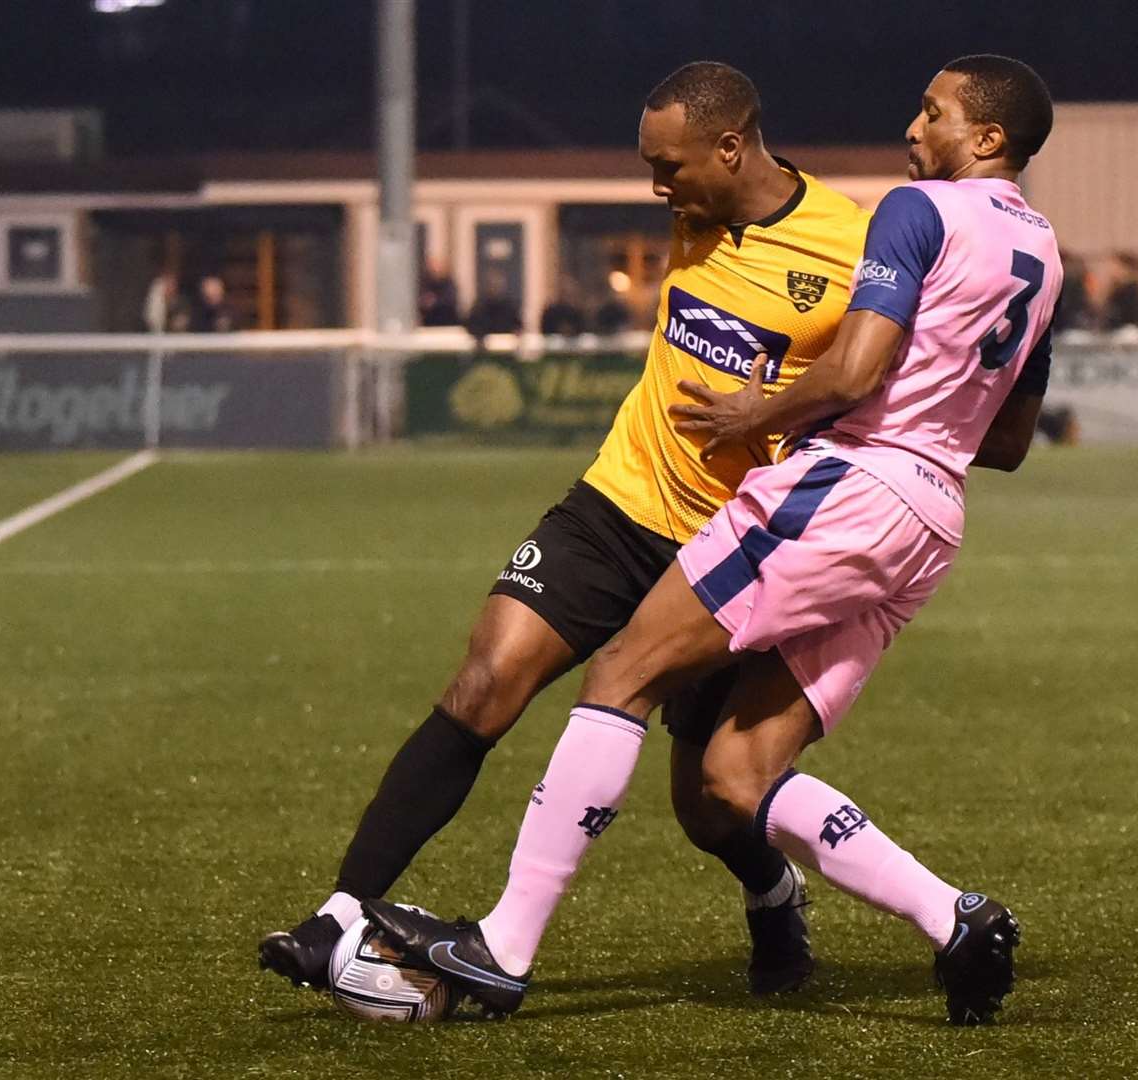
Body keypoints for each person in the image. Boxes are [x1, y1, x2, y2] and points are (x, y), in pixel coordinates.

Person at [365, 53, 1061, 1028]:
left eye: (931, 112)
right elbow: (1012, 441)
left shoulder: (916, 211)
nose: (913, 129)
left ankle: (501, 950)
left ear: (985, 138)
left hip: (852, 485)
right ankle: (954, 918)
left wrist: (759, 411)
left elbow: (856, 370)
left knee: (620, 676)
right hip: (931, 518)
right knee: (733, 779)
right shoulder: (1045, 257)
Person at [258, 61, 872, 999]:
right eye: (648, 166)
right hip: (615, 505)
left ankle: (771, 888)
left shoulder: (854, 249)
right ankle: (339, 916)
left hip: (730, 548)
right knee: (483, 681)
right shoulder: (695, 214)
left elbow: (881, 388)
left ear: (731, 147)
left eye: (668, 168)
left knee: (710, 804)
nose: (656, 189)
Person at [465, 270, 523, 340]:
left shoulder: (509, 307)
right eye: (492, 285)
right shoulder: (479, 307)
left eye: (498, 284)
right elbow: (471, 326)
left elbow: (518, 326)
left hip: (506, 345)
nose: (495, 288)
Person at [1101, 252, 1138, 330]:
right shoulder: (1114, 290)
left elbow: (1132, 316)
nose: (1112, 271)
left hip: (1128, 332)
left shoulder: (1131, 290)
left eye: (1116, 267)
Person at [419, 258, 461, 327]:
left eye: (438, 266)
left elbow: (450, 301)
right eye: (433, 266)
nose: (435, 269)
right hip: (429, 324)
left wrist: (434, 302)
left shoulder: (448, 283)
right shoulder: (426, 283)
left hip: (447, 322)